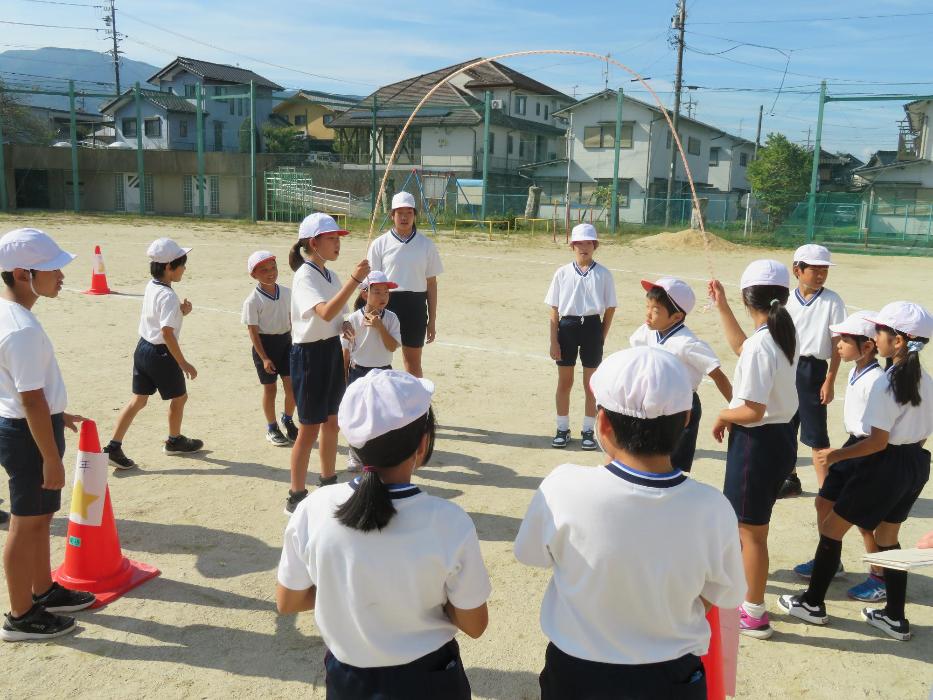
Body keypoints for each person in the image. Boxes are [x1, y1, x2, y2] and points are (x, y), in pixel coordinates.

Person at [515, 346, 744, 699]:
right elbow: (724, 593)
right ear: (686, 419)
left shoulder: (563, 486)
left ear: (603, 423)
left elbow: (530, 553)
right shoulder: (713, 508)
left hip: (576, 673)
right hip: (671, 677)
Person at [276, 369, 491, 699]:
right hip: (430, 679)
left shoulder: (312, 509)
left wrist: (353, 597)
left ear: (353, 443)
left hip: (349, 681)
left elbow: (287, 600)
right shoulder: (449, 522)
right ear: (423, 444)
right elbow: (475, 625)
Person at [779, 301, 932, 642]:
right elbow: (919, 435)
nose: (876, 337)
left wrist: (836, 455)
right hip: (915, 464)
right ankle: (894, 617)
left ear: (898, 341)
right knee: (888, 538)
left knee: (832, 528)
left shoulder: (886, 383)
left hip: (884, 465)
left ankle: (812, 604)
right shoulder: (926, 380)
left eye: (881, 332)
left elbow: (876, 443)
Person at [0, 228, 95, 642]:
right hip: (28, 435)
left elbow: (24, 389)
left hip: (31, 426)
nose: (61, 276)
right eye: (53, 269)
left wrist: (59, 414)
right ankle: (20, 614)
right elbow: (31, 398)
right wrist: (51, 457)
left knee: (41, 518)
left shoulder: (11, 314)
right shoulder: (21, 328)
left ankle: (43, 590)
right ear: (24, 274)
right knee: (25, 523)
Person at [708, 259, 799, 640]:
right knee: (749, 527)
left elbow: (753, 410)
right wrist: (722, 306)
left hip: (757, 445)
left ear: (749, 298)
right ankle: (746, 596)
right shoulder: (780, 334)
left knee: (752, 533)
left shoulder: (764, 344)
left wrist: (722, 414)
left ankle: (755, 613)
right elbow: (741, 347)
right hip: (779, 440)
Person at [792, 310, 887, 602]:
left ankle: (880, 576)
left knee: (864, 521)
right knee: (824, 503)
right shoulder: (858, 371)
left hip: (864, 450)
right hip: (851, 447)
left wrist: (840, 454)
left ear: (867, 346)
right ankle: (831, 560)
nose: (838, 346)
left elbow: (877, 435)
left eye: (844, 340)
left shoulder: (877, 380)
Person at [286, 213, 369, 514]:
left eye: (338, 238)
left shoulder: (330, 275)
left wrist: (343, 325)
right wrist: (355, 280)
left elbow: (336, 315)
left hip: (331, 351)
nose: (337, 244)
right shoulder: (304, 275)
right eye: (332, 238)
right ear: (313, 243)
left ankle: (328, 482)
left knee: (332, 422)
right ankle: (296, 495)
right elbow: (324, 311)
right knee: (309, 429)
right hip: (309, 356)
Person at [104, 238, 202, 470]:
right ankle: (174, 440)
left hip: (143, 349)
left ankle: (113, 446)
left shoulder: (153, 286)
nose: (184, 268)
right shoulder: (168, 295)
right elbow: (167, 333)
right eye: (182, 264)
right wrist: (183, 362)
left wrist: (180, 311)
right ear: (168, 267)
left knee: (138, 400)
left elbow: (159, 317)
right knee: (180, 398)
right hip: (161, 354)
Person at [630, 277, 732, 471]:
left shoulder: (687, 344)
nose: (648, 314)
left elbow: (717, 375)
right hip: (653, 401)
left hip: (682, 407)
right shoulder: (647, 331)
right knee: (648, 459)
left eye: (656, 310)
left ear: (676, 317)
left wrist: (735, 408)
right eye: (647, 306)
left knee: (674, 465)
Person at [780, 244, 846, 498]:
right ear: (797, 270)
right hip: (786, 367)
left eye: (824, 270)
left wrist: (830, 379)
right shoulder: (785, 300)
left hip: (813, 370)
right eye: (814, 270)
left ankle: (826, 490)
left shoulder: (832, 301)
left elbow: (837, 343)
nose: (820, 275)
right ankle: (790, 479)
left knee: (816, 433)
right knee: (785, 426)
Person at [545, 223, 617, 450]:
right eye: (579, 243)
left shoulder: (603, 274)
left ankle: (588, 430)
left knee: (591, 384)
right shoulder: (562, 273)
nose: (584, 247)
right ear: (572, 246)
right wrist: (554, 340)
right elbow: (554, 308)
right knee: (565, 381)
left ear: (595, 246)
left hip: (592, 327)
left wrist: (601, 334)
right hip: (567, 327)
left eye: (588, 243)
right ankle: (562, 428)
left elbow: (610, 307)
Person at [367, 191, 442, 378]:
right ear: (392, 215)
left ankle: (416, 397)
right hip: (386, 304)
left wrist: (432, 320)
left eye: (409, 213)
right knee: (378, 361)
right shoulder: (379, 244)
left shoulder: (426, 245)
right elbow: (371, 284)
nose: (404, 217)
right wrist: (370, 312)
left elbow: (431, 284)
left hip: (415, 307)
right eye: (400, 213)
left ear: (415, 215)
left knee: (413, 365)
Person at [341, 271, 401, 472]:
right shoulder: (353, 319)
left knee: (381, 415)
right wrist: (344, 378)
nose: (383, 296)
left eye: (386, 292)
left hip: (383, 372)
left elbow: (392, 347)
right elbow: (346, 352)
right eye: (377, 292)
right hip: (359, 371)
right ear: (365, 294)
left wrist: (379, 326)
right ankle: (355, 453)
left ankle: (377, 455)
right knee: (357, 414)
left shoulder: (391, 318)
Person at [241, 250, 297, 447]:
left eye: (273, 268)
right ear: (253, 275)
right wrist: (264, 358)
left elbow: (292, 319)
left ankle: (288, 419)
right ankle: (272, 427)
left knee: (292, 387)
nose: (270, 273)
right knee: (270, 389)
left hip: (286, 343)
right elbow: (253, 331)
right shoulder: (252, 300)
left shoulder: (287, 293)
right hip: (264, 346)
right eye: (264, 270)